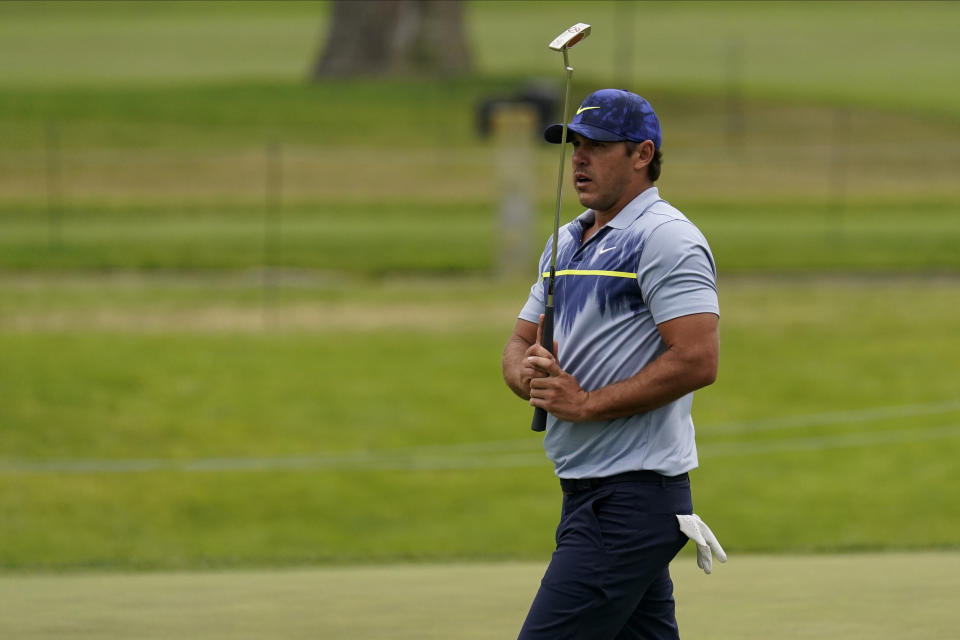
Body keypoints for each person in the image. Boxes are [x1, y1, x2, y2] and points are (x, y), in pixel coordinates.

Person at [501, 89, 724, 639]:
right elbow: (518, 340)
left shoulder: (666, 238)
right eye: (574, 144)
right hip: (588, 495)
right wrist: (523, 373)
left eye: (597, 146)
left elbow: (697, 359)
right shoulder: (566, 242)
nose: (578, 158)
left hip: (630, 502)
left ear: (642, 154)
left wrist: (585, 404)